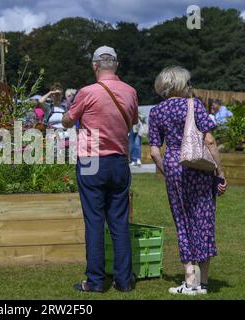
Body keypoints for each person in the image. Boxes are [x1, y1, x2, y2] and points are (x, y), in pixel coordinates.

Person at [62, 45, 138, 293]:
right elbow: (134, 120)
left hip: (91, 160)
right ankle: (124, 281)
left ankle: (95, 281)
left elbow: (66, 120)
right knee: (119, 222)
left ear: (94, 65)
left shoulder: (86, 92)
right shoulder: (130, 91)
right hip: (119, 159)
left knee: (94, 221)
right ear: (116, 64)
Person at [149, 66, 228, 295]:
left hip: (174, 164)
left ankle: (189, 280)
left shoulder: (156, 111)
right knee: (203, 218)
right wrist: (220, 172)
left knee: (182, 222)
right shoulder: (195, 105)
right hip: (199, 166)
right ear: (182, 84)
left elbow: (154, 152)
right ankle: (203, 283)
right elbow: (210, 141)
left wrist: (167, 171)